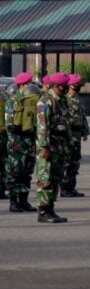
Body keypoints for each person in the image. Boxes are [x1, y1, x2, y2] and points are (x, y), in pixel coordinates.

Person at [35, 72, 70, 223]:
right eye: (63, 87)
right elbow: (43, 127)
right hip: (49, 147)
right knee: (46, 178)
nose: (66, 89)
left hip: (59, 147)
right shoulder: (45, 102)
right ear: (55, 86)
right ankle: (43, 211)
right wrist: (44, 147)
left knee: (56, 178)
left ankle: (50, 208)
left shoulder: (61, 101)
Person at [7, 73, 39, 213]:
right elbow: (9, 123)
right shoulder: (12, 101)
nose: (30, 85)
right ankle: (14, 202)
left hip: (30, 142)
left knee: (27, 172)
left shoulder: (33, 101)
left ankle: (24, 201)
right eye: (28, 83)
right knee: (15, 173)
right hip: (16, 143)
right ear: (21, 85)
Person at [60, 74, 89, 198]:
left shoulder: (76, 98)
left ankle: (71, 187)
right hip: (69, 133)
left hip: (76, 133)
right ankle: (65, 188)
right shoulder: (65, 99)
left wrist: (85, 131)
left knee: (75, 161)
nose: (80, 87)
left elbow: (82, 117)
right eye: (78, 85)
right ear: (71, 85)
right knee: (68, 161)